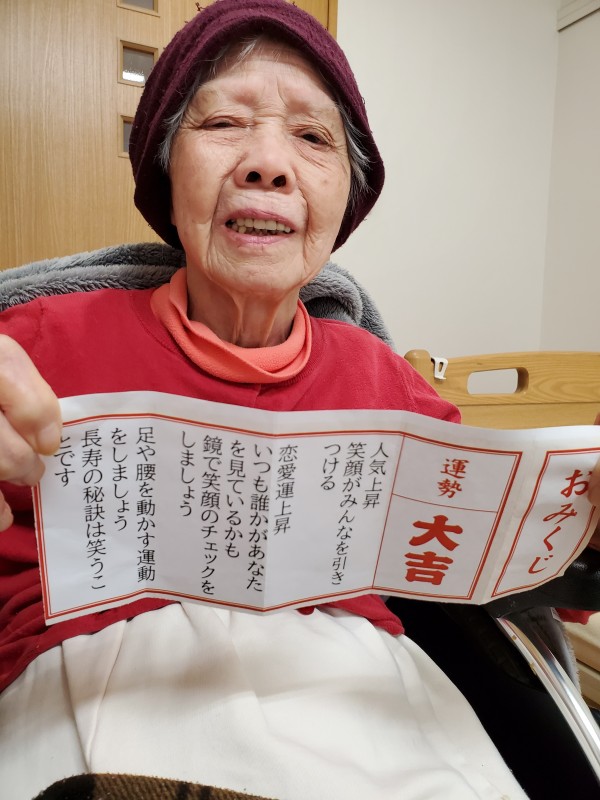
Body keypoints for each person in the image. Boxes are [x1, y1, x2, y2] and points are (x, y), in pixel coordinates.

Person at [0, 1, 596, 798]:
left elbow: (506, 563)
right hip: (97, 677)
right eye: (223, 124)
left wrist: (585, 524)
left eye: (313, 138)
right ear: (166, 172)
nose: (268, 164)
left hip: (361, 694)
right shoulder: (36, 342)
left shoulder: (383, 380)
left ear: (346, 196)